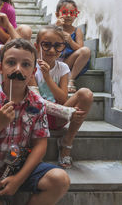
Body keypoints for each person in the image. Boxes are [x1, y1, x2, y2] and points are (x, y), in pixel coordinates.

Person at [0, 39, 70, 205]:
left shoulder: (37, 104)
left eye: (25, 64)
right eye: (11, 63)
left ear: (33, 72)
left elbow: (40, 145)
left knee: (60, 179)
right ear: (0, 68)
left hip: (22, 168)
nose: (18, 69)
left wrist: (18, 179)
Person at [31, 25, 93, 169]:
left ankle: (66, 143)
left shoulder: (63, 68)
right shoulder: (31, 67)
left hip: (58, 116)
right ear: (37, 46)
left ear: (63, 47)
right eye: (46, 45)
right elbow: (36, 101)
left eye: (57, 46)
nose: (52, 50)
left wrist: (48, 77)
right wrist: (67, 112)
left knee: (86, 94)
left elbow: (63, 98)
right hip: (37, 116)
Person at [55, 0, 91, 93]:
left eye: (72, 13)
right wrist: (57, 28)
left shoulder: (77, 30)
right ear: (57, 14)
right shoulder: (54, 28)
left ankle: (70, 79)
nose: (68, 16)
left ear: (76, 15)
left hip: (69, 62)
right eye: (65, 12)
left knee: (86, 50)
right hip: (55, 63)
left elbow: (80, 48)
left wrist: (71, 41)